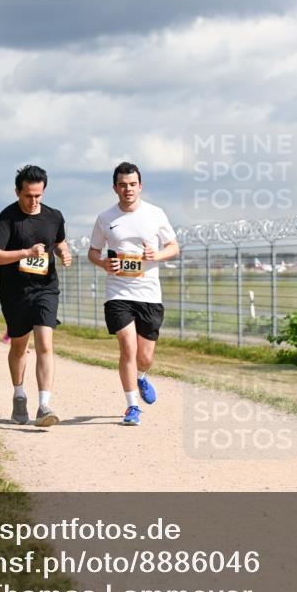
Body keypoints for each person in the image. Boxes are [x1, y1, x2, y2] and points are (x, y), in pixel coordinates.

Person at [88, 162, 178, 426]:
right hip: (118, 293)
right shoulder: (105, 218)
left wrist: (156, 255)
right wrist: (103, 263)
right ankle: (132, 406)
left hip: (149, 294)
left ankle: (141, 376)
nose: (127, 189)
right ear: (115, 188)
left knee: (145, 357)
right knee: (128, 347)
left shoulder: (155, 214)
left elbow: (173, 247)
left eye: (132, 184)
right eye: (122, 185)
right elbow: (93, 252)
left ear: (140, 186)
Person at [0, 165, 72, 428]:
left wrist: (64, 252)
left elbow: (59, 241)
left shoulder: (54, 216)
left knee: (45, 343)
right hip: (14, 292)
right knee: (19, 346)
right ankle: (19, 395)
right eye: (28, 196)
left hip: (46, 288)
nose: (33, 201)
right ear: (17, 191)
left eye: (38, 196)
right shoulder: (6, 219)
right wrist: (26, 253)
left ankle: (44, 405)